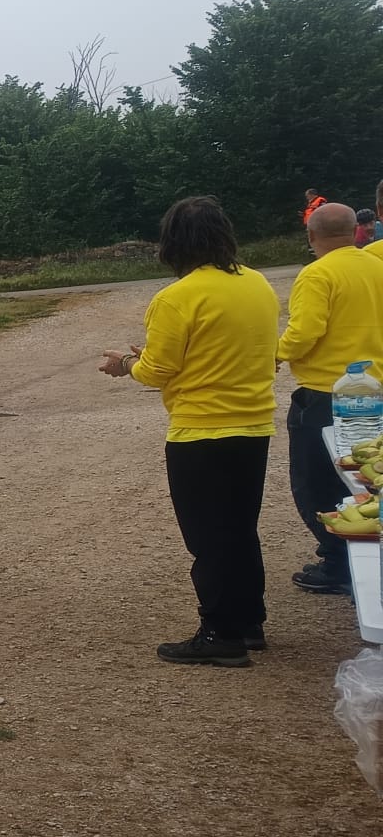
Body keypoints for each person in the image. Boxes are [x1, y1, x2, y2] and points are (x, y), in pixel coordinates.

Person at [101, 197, 278, 668]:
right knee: (239, 528)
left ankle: (220, 633)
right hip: (254, 424)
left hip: (201, 430)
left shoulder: (176, 298)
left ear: (173, 243)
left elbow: (157, 370)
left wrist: (127, 363)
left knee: (208, 538)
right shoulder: (257, 283)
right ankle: (249, 622)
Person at [277, 203, 383, 594]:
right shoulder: (376, 266)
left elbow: (305, 332)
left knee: (316, 482)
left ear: (311, 236)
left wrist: (275, 353)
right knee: (368, 477)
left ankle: (338, 561)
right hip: (376, 387)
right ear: (357, 231)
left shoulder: (317, 274)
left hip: (327, 393)